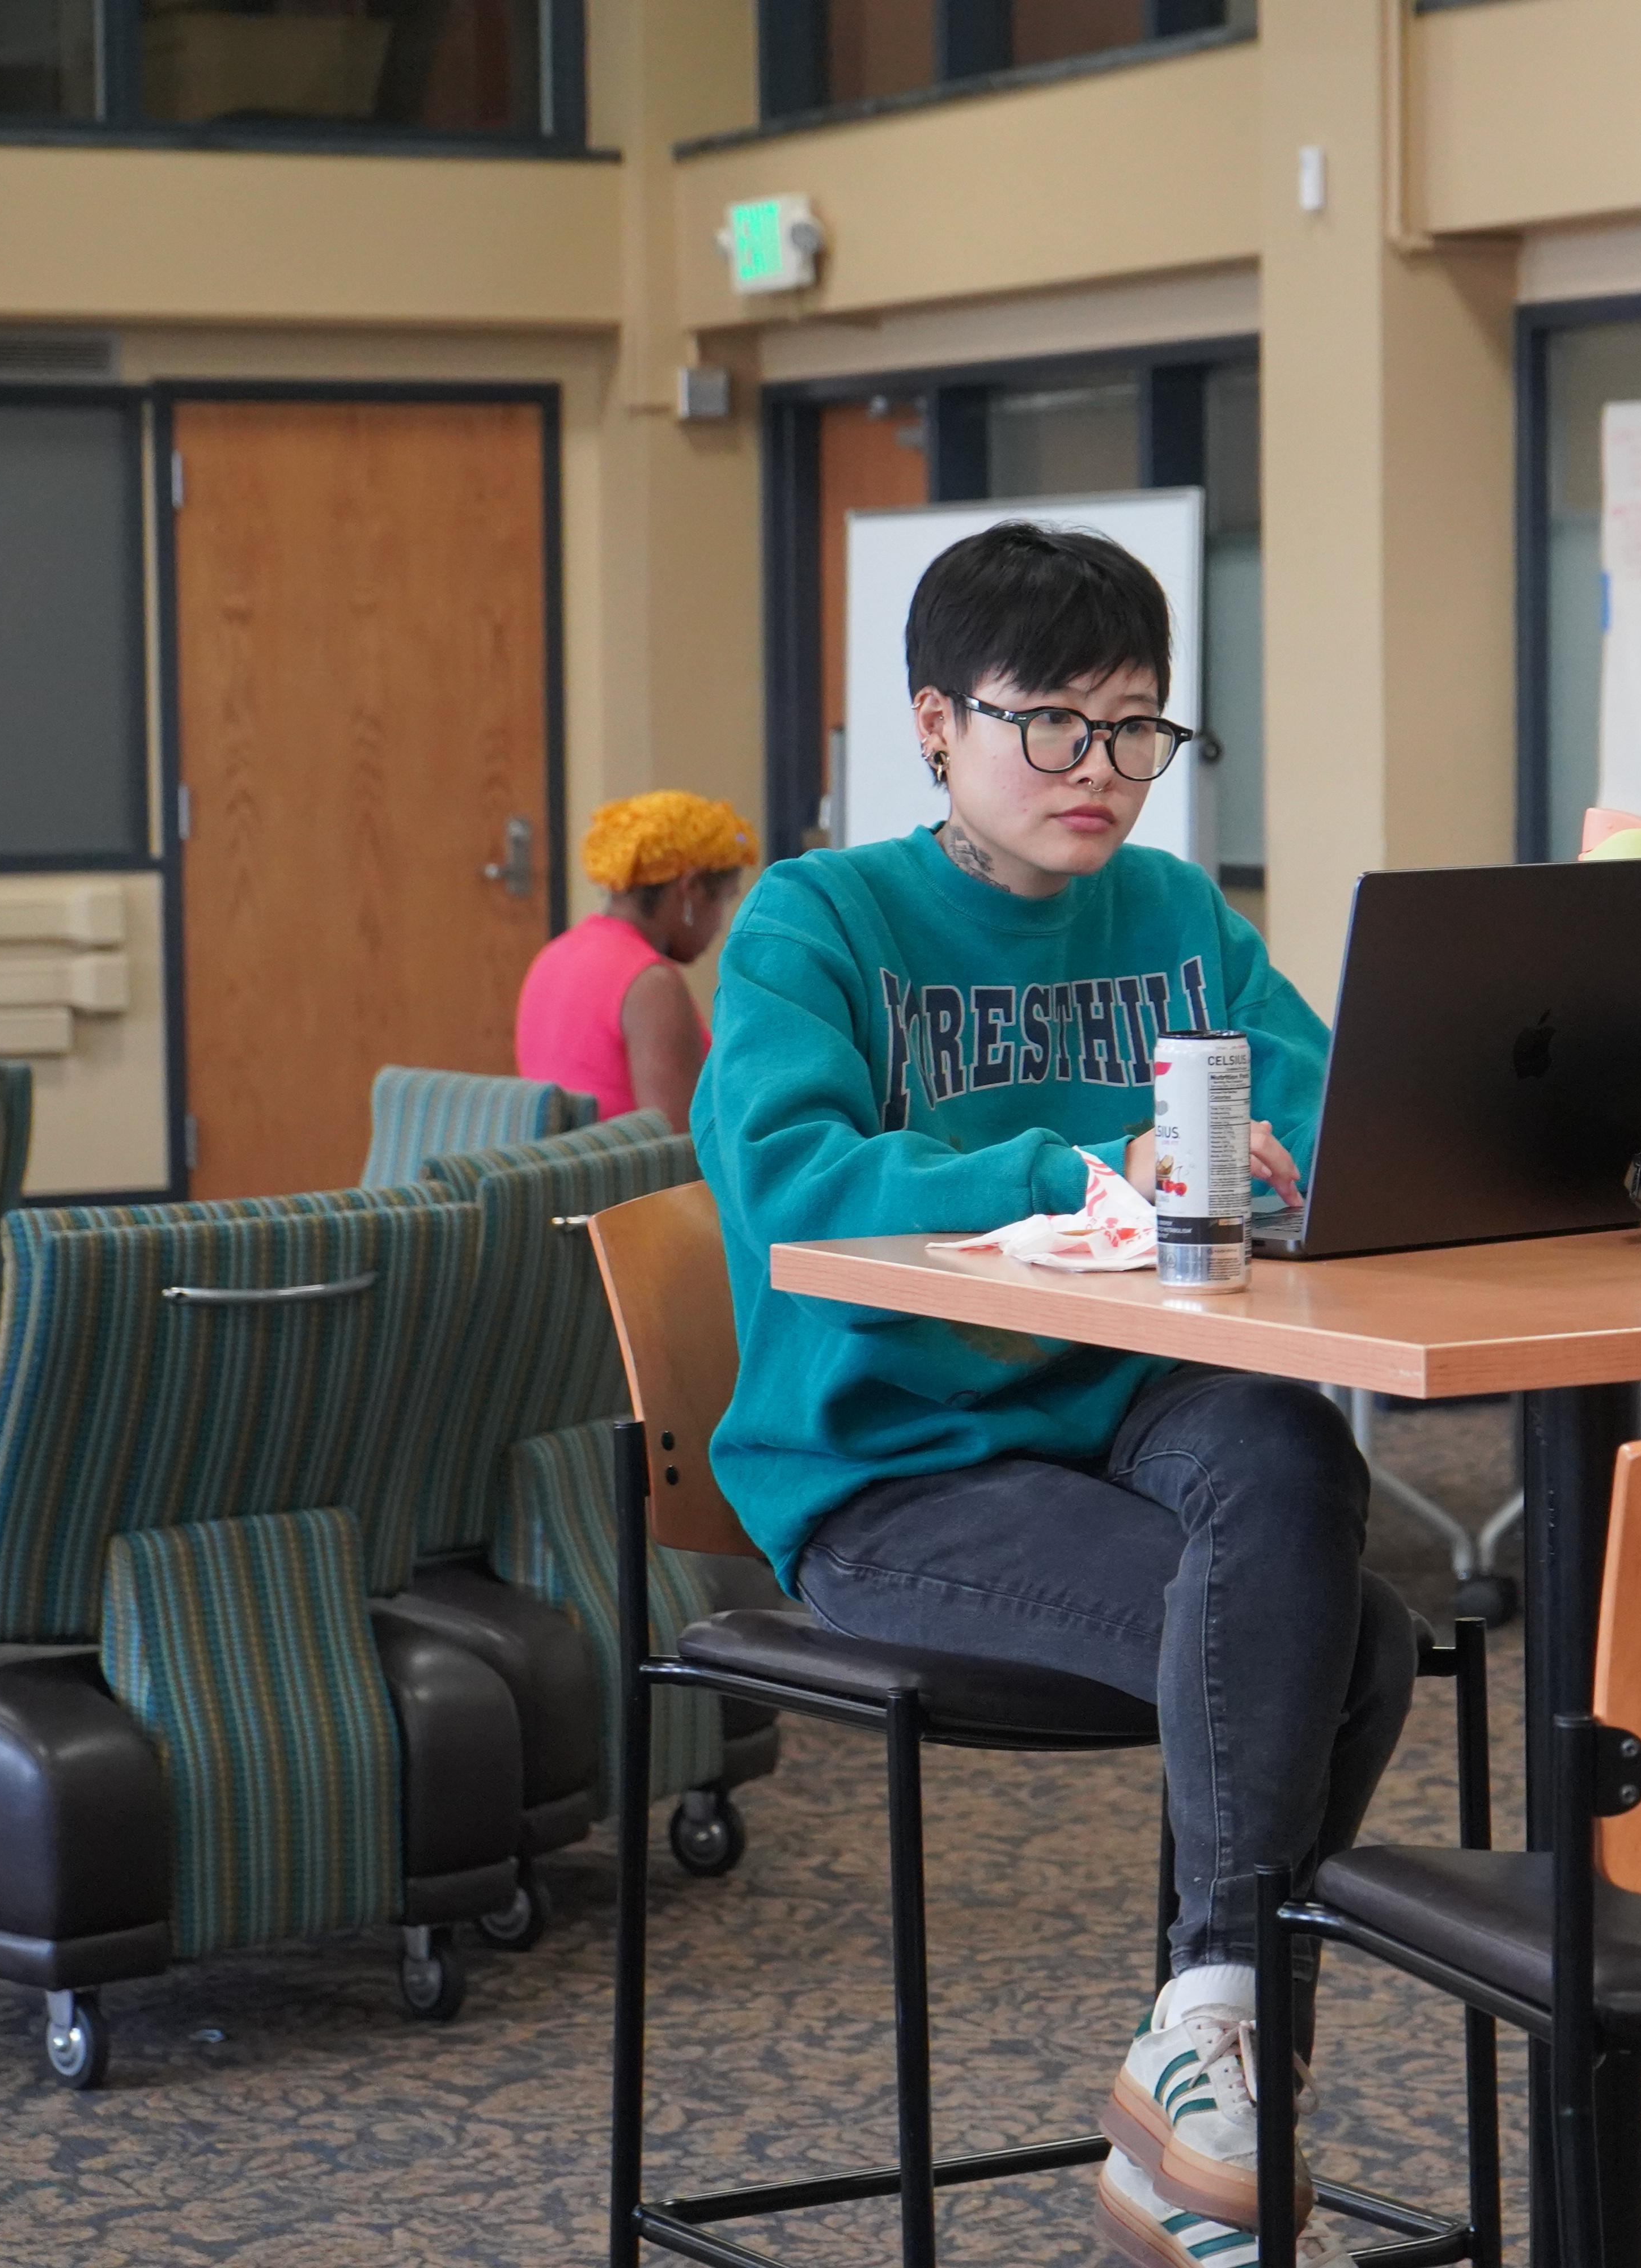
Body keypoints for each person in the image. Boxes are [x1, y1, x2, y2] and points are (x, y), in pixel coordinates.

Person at [692, 522, 1411, 2268]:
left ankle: (1202, 2041)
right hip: (889, 1460)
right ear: (934, 723)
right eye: (1054, 727)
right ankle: (1218, 2101)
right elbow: (790, 1184)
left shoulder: (1173, 910)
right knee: (1347, 1644)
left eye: (1139, 730)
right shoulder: (819, 921)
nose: (1102, 775)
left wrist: (1301, 1164)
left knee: (1290, 1459)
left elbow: (1329, 1111)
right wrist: (1094, 1158)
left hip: (1127, 1407)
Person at [515, 791, 756, 1125]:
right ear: (692, 889)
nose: (720, 923)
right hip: (627, 1179)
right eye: (725, 901)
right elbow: (678, 1147)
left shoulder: (553, 956)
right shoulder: (651, 984)